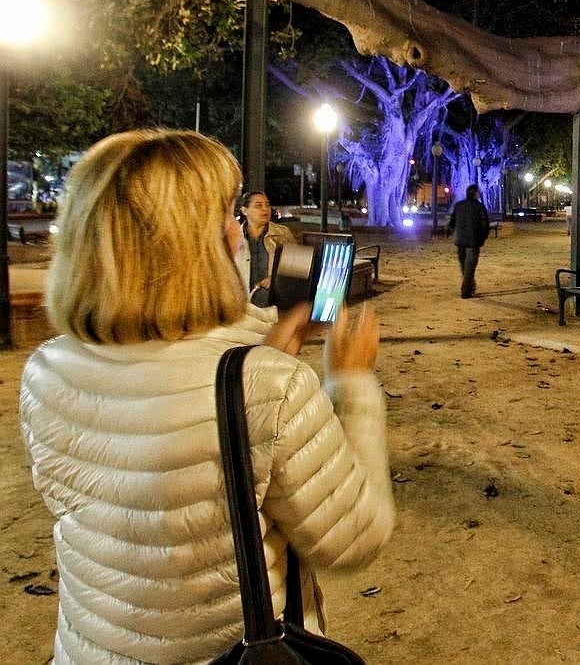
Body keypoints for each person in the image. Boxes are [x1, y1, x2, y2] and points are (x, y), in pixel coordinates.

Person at [19, 129, 395, 664]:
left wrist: (262, 350)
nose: (239, 232)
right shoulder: (267, 387)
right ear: (197, 241)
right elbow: (353, 536)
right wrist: (351, 381)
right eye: (229, 216)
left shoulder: (49, 371)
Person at [234, 189, 298, 307]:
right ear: (244, 211)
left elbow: (296, 269)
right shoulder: (234, 237)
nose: (265, 209)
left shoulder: (282, 234)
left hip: (275, 306)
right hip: (242, 307)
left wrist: (276, 279)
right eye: (258, 206)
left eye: (267, 205)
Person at [450, 182, 491, 298]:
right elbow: (485, 225)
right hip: (473, 242)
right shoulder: (480, 207)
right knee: (470, 267)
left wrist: (456, 231)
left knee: (464, 266)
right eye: (479, 192)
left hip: (460, 241)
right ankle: (466, 291)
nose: (480, 194)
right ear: (475, 193)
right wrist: (483, 238)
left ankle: (470, 286)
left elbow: (452, 222)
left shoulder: (458, 205)